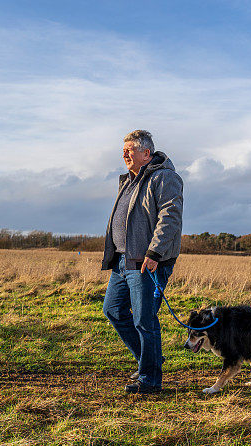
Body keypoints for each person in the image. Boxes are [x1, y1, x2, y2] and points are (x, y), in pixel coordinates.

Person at [102, 130, 184, 393]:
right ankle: (150, 360)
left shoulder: (164, 178)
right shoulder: (128, 180)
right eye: (123, 150)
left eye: (130, 150)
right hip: (123, 261)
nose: (124, 154)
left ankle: (150, 380)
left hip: (148, 261)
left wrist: (155, 253)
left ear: (146, 153)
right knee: (113, 311)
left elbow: (170, 217)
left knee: (144, 319)